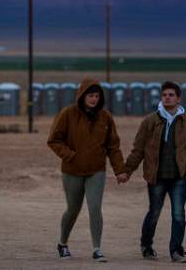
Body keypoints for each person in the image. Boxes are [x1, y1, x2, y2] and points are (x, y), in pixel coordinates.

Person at [47, 79, 127, 263]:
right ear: (82, 96)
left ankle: (97, 248)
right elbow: (54, 140)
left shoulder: (106, 117)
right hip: (72, 170)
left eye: (97, 96)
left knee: (94, 207)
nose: (94, 99)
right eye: (90, 95)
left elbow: (113, 146)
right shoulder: (68, 114)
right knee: (73, 209)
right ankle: (63, 243)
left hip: (96, 171)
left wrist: (119, 170)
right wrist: (70, 155)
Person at [124, 81, 186, 263]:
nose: (167, 97)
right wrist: (127, 170)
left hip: (178, 177)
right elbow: (138, 148)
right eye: (164, 94)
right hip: (156, 176)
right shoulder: (150, 121)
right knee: (154, 212)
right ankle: (146, 245)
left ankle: (176, 251)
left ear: (178, 98)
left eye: (171, 95)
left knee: (179, 214)